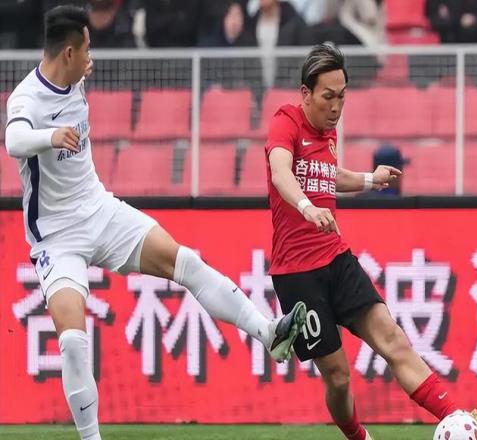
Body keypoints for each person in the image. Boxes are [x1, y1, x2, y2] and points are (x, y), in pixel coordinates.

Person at [4, 6, 306, 439]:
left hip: (100, 210)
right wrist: (49, 137)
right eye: (86, 48)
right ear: (68, 53)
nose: (91, 56)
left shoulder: (74, 75)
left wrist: (76, 75)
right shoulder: (26, 99)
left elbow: (71, 69)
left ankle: (268, 332)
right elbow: (14, 140)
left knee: (187, 262)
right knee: (72, 340)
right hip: (56, 236)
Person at [265, 42, 477, 440]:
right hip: (297, 274)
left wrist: (370, 179)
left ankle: (462, 418)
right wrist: (306, 207)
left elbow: (329, 175)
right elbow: (280, 173)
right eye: (327, 97)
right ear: (306, 93)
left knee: (394, 339)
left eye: (342, 96)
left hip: (335, 258)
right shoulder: (285, 121)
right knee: (339, 377)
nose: (336, 107)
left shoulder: (328, 132)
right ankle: (358, 437)